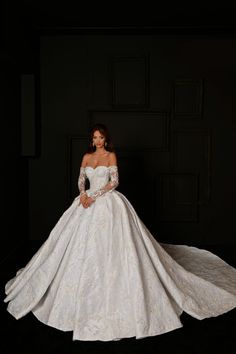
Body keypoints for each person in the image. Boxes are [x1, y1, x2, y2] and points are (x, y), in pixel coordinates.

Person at [4, 123, 236, 342]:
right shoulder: (86, 156)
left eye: (101, 137)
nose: (97, 141)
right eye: (94, 137)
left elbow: (114, 182)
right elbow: (81, 179)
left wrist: (94, 196)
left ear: (106, 139)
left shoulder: (110, 156)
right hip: (85, 203)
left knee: (116, 247)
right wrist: (83, 194)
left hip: (107, 203)